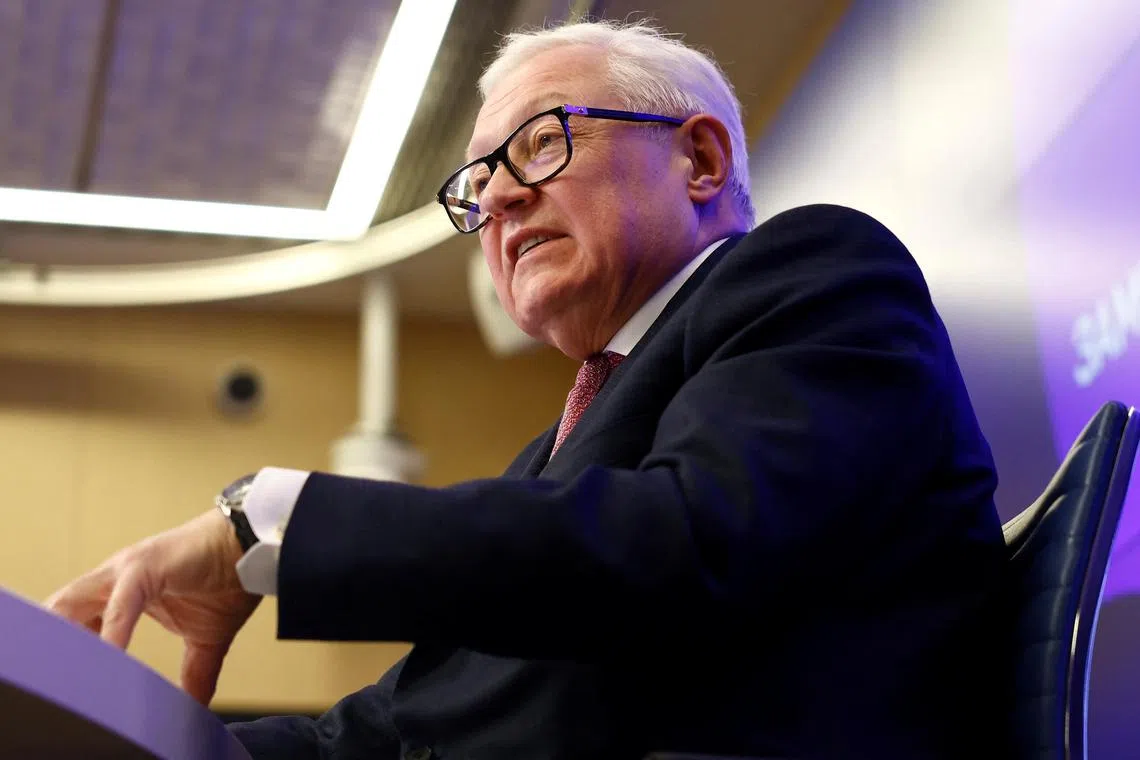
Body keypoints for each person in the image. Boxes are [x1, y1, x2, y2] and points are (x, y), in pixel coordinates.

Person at [44, 19, 1009, 760]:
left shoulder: (814, 272)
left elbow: (684, 549)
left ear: (700, 159)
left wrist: (266, 530)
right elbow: (384, 733)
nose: (498, 198)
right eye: (477, 183)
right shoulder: (554, 461)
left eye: (542, 144)